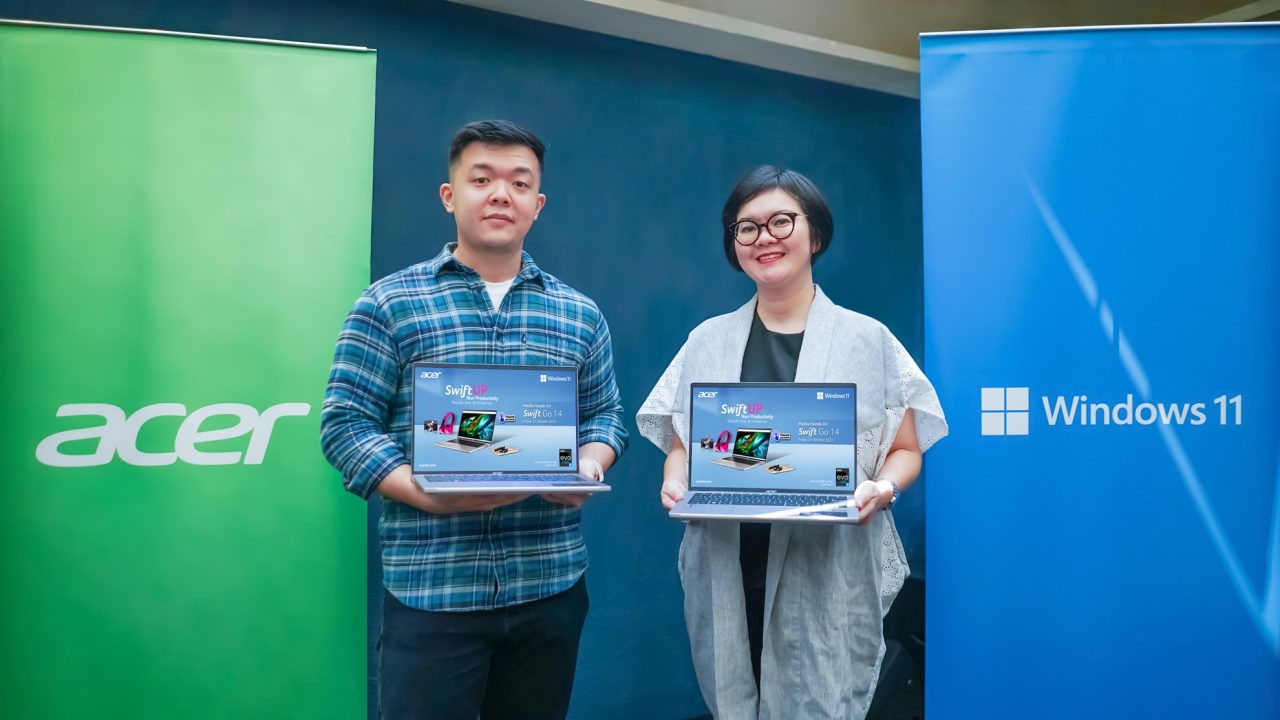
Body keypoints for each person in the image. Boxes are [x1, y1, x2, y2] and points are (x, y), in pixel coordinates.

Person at [321, 120, 628, 719]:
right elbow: (346, 424)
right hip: (432, 589)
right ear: (450, 195)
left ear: (537, 205)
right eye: (481, 179)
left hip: (550, 586)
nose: (500, 195)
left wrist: (589, 464)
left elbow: (605, 414)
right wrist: (422, 491)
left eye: (519, 183)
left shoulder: (579, 314)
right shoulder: (389, 303)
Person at [637, 166, 947, 718]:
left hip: (828, 565)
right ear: (734, 245)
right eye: (747, 227)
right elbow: (684, 445)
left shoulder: (867, 340)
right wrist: (674, 479)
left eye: (781, 221)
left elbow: (905, 450)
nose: (765, 237)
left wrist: (882, 489)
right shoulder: (706, 340)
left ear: (815, 234)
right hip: (728, 562)